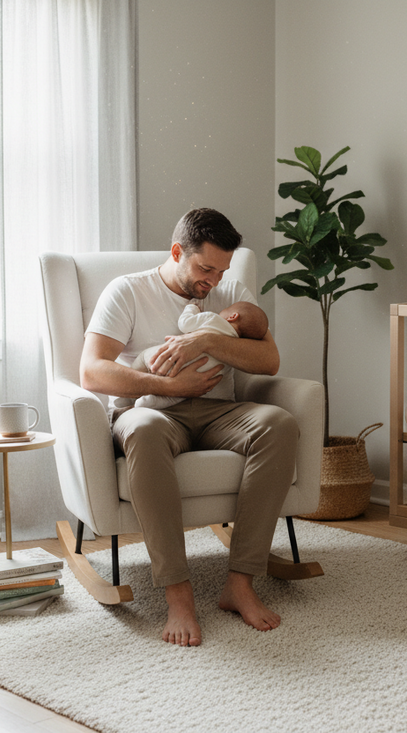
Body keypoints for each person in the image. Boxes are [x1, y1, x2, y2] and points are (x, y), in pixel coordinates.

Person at [79, 208, 298, 647]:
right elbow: (92, 372)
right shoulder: (128, 291)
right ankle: (178, 593)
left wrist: (208, 340)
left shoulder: (230, 289)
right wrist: (167, 383)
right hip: (154, 411)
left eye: (221, 270)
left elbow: (270, 361)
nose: (214, 281)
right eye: (205, 269)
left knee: (278, 423)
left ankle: (240, 583)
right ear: (178, 252)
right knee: (141, 428)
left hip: (220, 412)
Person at [130, 300, 270, 410]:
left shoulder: (213, 319)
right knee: (177, 396)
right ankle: (149, 402)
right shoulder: (236, 347)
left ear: (232, 316)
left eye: (225, 310)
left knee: (144, 356)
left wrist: (192, 308)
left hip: (175, 361)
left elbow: (184, 323)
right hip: (202, 383)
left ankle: (126, 394)